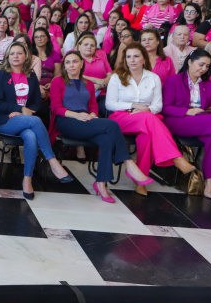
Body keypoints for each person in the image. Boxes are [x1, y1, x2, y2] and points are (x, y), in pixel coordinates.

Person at [51, 51, 153, 202]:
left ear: (81, 64)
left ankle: (101, 183)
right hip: (67, 121)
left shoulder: (89, 84)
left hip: (86, 120)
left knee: (106, 140)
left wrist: (92, 114)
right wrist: (77, 115)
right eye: (67, 62)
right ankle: (129, 164)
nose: (71, 65)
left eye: (74, 61)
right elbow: (56, 108)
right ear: (64, 66)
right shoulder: (58, 81)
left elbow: (93, 106)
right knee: (112, 125)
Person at [105, 43, 197, 195]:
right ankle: (176, 158)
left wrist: (147, 109)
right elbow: (110, 104)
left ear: (144, 58)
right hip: (122, 118)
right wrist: (133, 105)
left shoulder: (153, 78)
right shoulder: (116, 77)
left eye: (136, 56)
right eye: (128, 57)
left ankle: (140, 179)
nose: (132, 60)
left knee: (147, 137)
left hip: (147, 119)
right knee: (149, 119)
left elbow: (157, 105)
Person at [0, 42, 74, 199]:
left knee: (31, 135)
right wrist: (19, 110)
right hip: (5, 119)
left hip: (25, 120)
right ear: (8, 56)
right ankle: (53, 161)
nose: (16, 56)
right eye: (13, 53)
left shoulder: (31, 77)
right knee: (36, 122)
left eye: (19, 53)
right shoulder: (1, 75)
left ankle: (27, 179)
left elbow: (36, 102)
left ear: (26, 56)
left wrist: (26, 113)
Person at [162, 49, 211, 199]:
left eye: (207, 66)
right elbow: (165, 107)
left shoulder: (207, 84)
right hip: (178, 120)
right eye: (201, 64)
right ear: (190, 62)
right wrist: (187, 112)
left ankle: (210, 184)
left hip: (203, 124)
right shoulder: (174, 80)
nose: (204, 69)